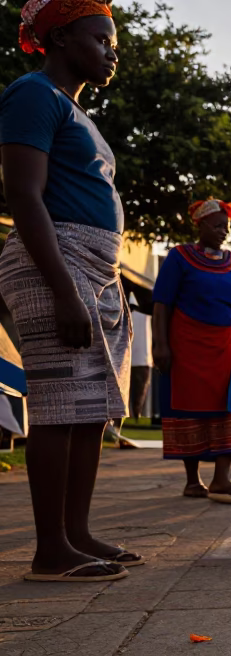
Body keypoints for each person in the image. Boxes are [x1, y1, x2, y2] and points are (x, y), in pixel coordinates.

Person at [0, 1, 135, 582]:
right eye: (101, 38)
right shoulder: (32, 94)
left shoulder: (75, 111)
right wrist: (63, 290)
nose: (111, 52)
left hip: (90, 268)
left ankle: (75, 533)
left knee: (88, 411)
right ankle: (50, 548)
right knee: (58, 407)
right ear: (59, 38)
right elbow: (24, 196)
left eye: (114, 42)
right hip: (51, 261)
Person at [151, 198, 231, 502]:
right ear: (200, 225)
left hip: (227, 346)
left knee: (230, 406)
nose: (223, 231)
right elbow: (162, 303)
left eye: (226, 226)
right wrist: (160, 344)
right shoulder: (179, 257)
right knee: (189, 407)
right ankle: (192, 480)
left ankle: (221, 479)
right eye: (217, 225)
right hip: (187, 344)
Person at [128, 293, 151, 419]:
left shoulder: (146, 291)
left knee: (140, 385)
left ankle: (136, 415)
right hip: (124, 349)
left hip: (142, 352)